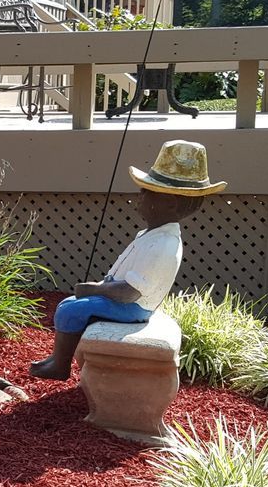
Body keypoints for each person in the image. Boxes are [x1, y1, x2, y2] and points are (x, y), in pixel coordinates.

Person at [28, 140, 227, 380]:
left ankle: (60, 366)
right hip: (128, 300)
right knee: (67, 305)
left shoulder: (163, 245)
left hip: (134, 307)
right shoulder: (151, 236)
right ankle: (57, 359)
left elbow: (130, 292)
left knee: (73, 310)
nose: (138, 200)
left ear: (170, 204)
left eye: (146, 194)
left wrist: (96, 289)